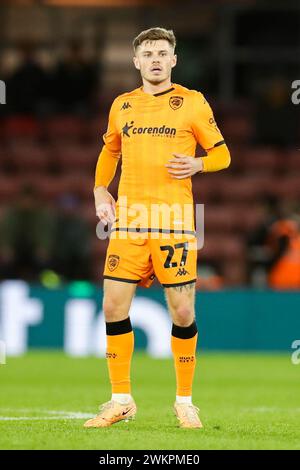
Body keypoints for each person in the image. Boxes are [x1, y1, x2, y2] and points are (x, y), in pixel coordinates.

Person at [84, 27, 230, 430]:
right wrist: (100, 190)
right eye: (147, 53)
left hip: (174, 224)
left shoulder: (193, 104)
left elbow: (222, 154)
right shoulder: (122, 105)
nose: (155, 59)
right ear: (136, 61)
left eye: (162, 53)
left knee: (182, 311)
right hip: (129, 222)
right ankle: (120, 400)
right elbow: (109, 150)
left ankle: (184, 402)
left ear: (173, 60)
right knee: (113, 307)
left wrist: (199, 164)